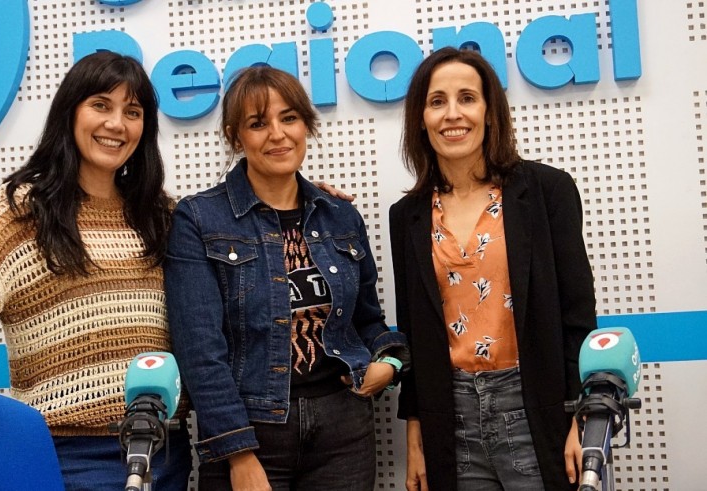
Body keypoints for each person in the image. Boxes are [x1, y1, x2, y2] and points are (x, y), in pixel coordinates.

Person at [0, 51, 192, 490]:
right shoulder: (23, 212)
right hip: (69, 456)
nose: (116, 124)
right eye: (101, 105)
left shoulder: (161, 215)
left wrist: (307, 201)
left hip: (166, 451)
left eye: (132, 112)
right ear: (70, 111)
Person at [164, 65, 410, 491]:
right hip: (253, 431)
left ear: (306, 125)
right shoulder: (199, 219)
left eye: (289, 118)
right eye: (258, 124)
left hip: (343, 429)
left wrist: (389, 362)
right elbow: (200, 349)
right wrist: (237, 453)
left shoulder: (340, 216)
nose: (277, 134)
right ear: (235, 136)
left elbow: (367, 320)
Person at [389, 46, 597, 491]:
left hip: (534, 407)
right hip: (451, 417)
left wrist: (580, 416)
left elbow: (577, 315)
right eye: (437, 101)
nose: (452, 114)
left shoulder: (546, 191)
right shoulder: (406, 216)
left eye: (467, 98)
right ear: (420, 118)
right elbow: (414, 333)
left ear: (489, 110)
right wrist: (415, 432)